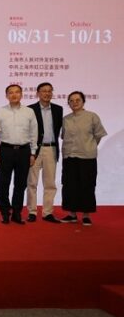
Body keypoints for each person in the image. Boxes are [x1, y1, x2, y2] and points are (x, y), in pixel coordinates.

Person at [60, 91, 107, 226]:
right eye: (71, 101)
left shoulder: (92, 116)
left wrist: (89, 146)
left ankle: (86, 215)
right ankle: (72, 214)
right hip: (69, 156)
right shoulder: (66, 119)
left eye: (77, 100)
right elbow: (64, 136)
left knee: (87, 185)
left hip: (87, 157)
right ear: (68, 103)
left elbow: (98, 135)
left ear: (83, 101)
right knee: (69, 185)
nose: (74, 103)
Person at [0, 84, 38, 224]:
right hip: (5, 150)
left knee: (20, 184)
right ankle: (5, 213)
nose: (14, 95)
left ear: (21, 94)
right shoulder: (0, 112)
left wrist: (33, 153)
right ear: (6, 95)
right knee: (4, 183)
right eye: (11, 93)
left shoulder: (29, 112)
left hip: (24, 151)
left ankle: (17, 212)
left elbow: (33, 133)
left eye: (17, 92)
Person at [26, 82, 63, 223]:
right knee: (32, 182)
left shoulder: (58, 109)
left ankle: (48, 212)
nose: (47, 93)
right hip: (34, 149)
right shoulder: (30, 109)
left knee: (50, 183)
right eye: (43, 91)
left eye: (49, 91)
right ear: (37, 93)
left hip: (51, 149)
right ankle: (32, 212)